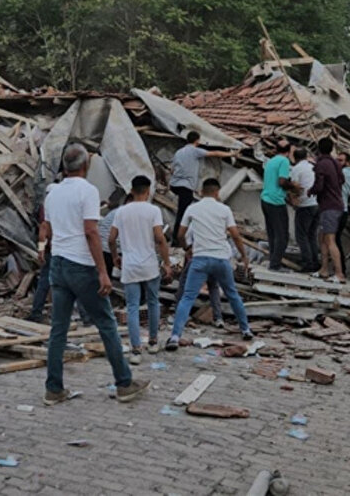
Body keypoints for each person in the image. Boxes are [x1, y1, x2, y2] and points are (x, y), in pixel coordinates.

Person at [41, 143, 149, 405]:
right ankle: (124, 383)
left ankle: (53, 388)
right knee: (106, 323)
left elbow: (48, 228)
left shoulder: (53, 193)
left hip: (58, 263)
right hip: (81, 265)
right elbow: (91, 232)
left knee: (58, 329)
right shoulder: (88, 191)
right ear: (85, 166)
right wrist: (103, 272)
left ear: (65, 167)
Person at [166, 178, 254, 349]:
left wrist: (187, 249)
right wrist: (244, 256)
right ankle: (245, 329)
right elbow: (235, 235)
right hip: (221, 259)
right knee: (233, 294)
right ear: (217, 192)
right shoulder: (224, 209)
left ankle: (175, 336)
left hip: (200, 259)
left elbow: (180, 234)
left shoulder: (192, 208)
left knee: (187, 297)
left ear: (201, 191)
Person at [108, 176, 171, 364]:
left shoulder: (121, 212)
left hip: (130, 265)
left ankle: (135, 350)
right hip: (149, 264)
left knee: (132, 307)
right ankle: (152, 341)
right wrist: (167, 262)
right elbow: (160, 238)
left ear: (132, 190)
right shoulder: (153, 211)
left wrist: (114, 257)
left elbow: (111, 239)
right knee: (153, 302)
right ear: (148, 190)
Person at [28, 181, 91, 326]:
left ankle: (37, 313)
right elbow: (45, 229)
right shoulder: (61, 206)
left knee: (46, 282)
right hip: (65, 250)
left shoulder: (48, 207)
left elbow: (43, 230)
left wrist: (41, 249)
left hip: (55, 250)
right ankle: (86, 317)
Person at [168, 131, 235, 246]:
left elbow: (172, 169)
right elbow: (214, 153)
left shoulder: (179, 152)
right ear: (197, 140)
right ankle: (177, 240)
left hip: (175, 184)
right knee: (182, 214)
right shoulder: (195, 151)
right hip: (185, 186)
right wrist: (231, 154)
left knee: (182, 211)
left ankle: (180, 237)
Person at [309, 137, 346, 283]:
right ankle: (323, 270)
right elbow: (342, 180)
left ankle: (339, 274)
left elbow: (319, 186)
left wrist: (310, 191)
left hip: (329, 207)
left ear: (318, 149)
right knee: (323, 238)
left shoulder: (321, 164)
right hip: (335, 205)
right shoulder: (335, 163)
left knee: (330, 240)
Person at [260, 141, 297, 271]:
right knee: (282, 236)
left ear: (276, 149)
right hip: (275, 202)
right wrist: (294, 186)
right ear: (289, 150)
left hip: (265, 199)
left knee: (272, 234)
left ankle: (273, 261)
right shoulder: (284, 161)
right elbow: (282, 181)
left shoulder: (271, 161)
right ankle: (275, 265)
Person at [290, 148, 320, 273]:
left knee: (301, 235)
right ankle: (315, 262)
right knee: (312, 235)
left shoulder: (296, 169)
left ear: (294, 158)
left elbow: (295, 186)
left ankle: (308, 263)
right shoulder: (312, 167)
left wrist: (294, 198)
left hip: (305, 205)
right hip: (317, 204)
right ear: (306, 156)